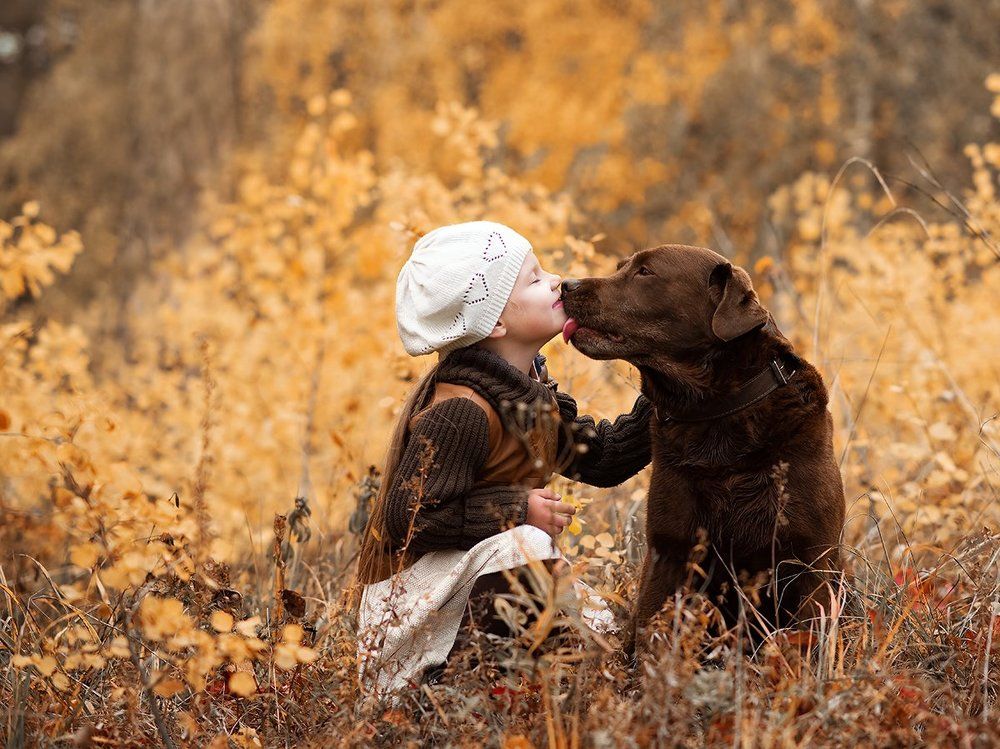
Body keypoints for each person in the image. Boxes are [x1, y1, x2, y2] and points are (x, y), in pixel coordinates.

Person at [354, 220, 652, 701]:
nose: (555, 281)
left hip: (465, 592)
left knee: (605, 634)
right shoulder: (460, 411)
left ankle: (537, 701)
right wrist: (517, 510)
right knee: (527, 545)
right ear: (493, 322)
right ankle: (449, 694)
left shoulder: (524, 394)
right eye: (534, 279)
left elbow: (602, 459)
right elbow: (409, 519)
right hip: (408, 617)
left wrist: (667, 393)